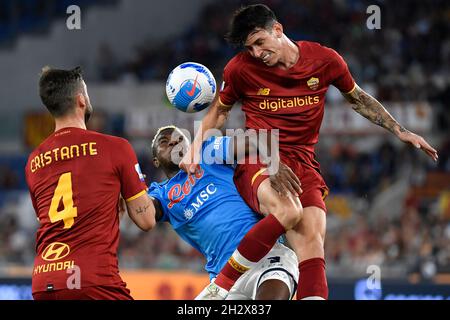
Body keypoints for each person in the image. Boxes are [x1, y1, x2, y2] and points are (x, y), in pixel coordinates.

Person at [181, 4, 439, 300]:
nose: (256, 53)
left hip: (304, 163)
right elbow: (219, 112)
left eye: (259, 43)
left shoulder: (325, 60)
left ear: (277, 30)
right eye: (249, 48)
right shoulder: (240, 69)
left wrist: (399, 130)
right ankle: (219, 288)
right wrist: (194, 149)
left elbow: (357, 99)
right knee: (288, 211)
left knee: (313, 245)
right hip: (260, 156)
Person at [25, 66, 156, 300]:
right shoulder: (115, 147)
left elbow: (57, 220)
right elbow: (146, 220)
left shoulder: (34, 161)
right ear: (81, 99)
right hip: (90, 279)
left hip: (44, 280)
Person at [148, 125, 299, 299]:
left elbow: (261, 139)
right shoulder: (161, 194)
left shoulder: (207, 152)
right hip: (223, 279)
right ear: (155, 161)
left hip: (267, 257)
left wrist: (273, 163)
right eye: (164, 142)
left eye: (180, 138)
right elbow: (143, 215)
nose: (174, 142)